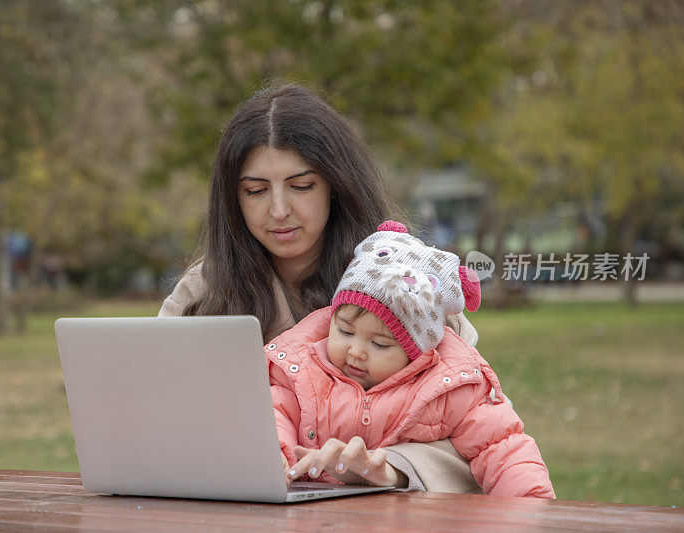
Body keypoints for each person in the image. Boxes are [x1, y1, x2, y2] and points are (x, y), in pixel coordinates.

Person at [159, 82, 482, 492]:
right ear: (232, 199)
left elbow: (481, 429)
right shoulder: (201, 293)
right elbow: (158, 415)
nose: (278, 210)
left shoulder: (408, 281)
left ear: (336, 184)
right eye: (255, 191)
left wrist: (391, 468)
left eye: (302, 186)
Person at [267, 221, 554, 498]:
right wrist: (271, 457)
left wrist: (532, 510)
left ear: (415, 353)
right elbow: (274, 412)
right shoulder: (300, 368)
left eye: (379, 344)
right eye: (344, 330)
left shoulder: (446, 389)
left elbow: (503, 448)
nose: (356, 351)